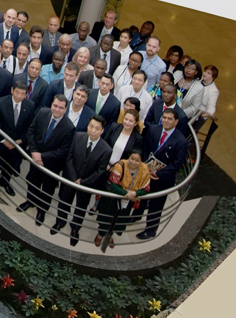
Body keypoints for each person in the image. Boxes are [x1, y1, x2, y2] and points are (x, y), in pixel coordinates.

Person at [51, 116, 111, 246]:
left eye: (97, 128)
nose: (93, 131)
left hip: (87, 184)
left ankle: (75, 229)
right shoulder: (78, 136)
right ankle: (60, 222)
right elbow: (69, 157)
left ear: (102, 131)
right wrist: (74, 178)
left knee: (81, 207)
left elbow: (100, 171)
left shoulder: (106, 149)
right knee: (64, 201)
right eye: (91, 126)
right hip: (71, 178)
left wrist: (83, 182)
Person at [17, 95, 75, 227]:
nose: (57, 109)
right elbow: (31, 131)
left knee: (47, 189)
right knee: (33, 181)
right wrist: (34, 152)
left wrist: (42, 156)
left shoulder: (69, 127)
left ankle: (42, 211)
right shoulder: (42, 112)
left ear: (66, 109)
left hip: (51, 165)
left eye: (61, 108)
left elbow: (63, 150)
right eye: (55, 106)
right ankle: (30, 201)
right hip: (35, 158)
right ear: (51, 104)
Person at [138, 108, 189, 239]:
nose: (166, 121)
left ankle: (150, 230)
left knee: (156, 205)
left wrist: (159, 174)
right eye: (164, 117)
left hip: (162, 180)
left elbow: (177, 164)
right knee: (141, 197)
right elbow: (145, 147)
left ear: (176, 121)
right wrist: (145, 165)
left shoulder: (181, 141)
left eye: (169, 119)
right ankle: (136, 216)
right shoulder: (154, 129)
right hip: (146, 172)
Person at [95, 150, 151, 248]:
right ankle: (100, 235)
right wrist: (127, 194)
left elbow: (146, 189)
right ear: (128, 157)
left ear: (141, 161)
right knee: (106, 218)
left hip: (127, 203)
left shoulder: (144, 169)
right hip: (112, 200)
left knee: (118, 221)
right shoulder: (119, 166)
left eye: (137, 161)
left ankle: (109, 236)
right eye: (132, 159)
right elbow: (113, 186)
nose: (133, 162)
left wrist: (135, 193)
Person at [0, 80, 35, 196]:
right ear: (12, 90)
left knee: (11, 165)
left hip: (17, 144)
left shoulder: (30, 106)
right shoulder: (1, 102)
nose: (19, 96)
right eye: (17, 92)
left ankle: (5, 182)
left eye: (22, 94)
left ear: (26, 95)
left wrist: (21, 140)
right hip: (1, 143)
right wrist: (4, 140)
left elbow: (30, 127)